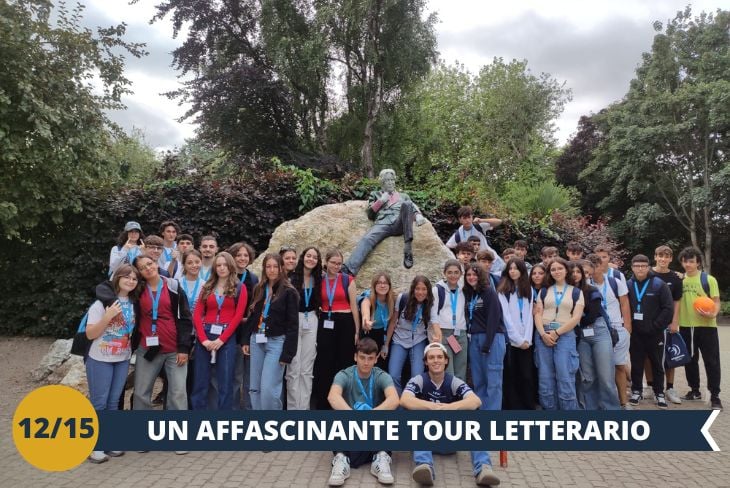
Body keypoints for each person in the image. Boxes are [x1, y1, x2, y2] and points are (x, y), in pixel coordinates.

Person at [401, 342, 500, 487]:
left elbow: (476, 401)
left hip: (450, 439)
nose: (436, 360)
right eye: (432, 357)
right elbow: (404, 400)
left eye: (440, 357)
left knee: (473, 418)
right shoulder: (419, 380)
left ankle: (483, 469)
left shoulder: (454, 382)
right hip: (425, 438)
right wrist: (432, 407)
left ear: (446, 360)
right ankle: (425, 467)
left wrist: (450, 407)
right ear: (426, 362)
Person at [130, 254, 192, 450]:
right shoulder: (137, 290)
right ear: (138, 273)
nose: (148, 268)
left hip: (174, 349)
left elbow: (185, 319)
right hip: (147, 349)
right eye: (142, 267)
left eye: (150, 263)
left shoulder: (173, 286)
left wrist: (184, 348)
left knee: (177, 393)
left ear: (156, 263)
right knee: (141, 392)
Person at [326, 338, 399, 486]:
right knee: (335, 415)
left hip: (374, 430)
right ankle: (341, 460)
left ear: (376, 359)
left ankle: (381, 458)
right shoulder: (344, 374)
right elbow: (332, 396)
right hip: (351, 430)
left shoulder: (381, 376)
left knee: (391, 416)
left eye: (370, 358)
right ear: (355, 357)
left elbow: (394, 399)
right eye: (362, 358)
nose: (366, 363)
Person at [85, 264, 140, 463]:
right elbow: (90, 333)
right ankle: (95, 447)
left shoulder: (134, 303)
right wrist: (107, 317)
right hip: (100, 358)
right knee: (99, 403)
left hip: (122, 358)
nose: (131, 281)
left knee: (113, 402)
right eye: (127, 277)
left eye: (134, 278)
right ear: (117, 278)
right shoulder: (101, 304)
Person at [242, 254, 299, 410]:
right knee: (254, 388)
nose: (272, 270)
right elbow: (253, 317)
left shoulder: (289, 292)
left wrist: (288, 354)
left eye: (275, 266)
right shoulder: (259, 288)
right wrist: (246, 340)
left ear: (281, 268)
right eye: (268, 267)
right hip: (256, 340)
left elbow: (293, 325)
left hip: (276, 343)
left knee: (268, 388)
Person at [191, 252, 247, 410]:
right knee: (200, 380)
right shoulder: (207, 287)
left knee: (225, 381)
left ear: (230, 266)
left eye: (225, 265)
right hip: (205, 335)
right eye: (218, 265)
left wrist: (221, 340)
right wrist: (203, 340)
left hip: (226, 337)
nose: (222, 268)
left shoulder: (239, 288)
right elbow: (197, 314)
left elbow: (238, 316)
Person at [343, 169, 426, 274]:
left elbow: (411, 206)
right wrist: (381, 200)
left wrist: (417, 215)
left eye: (392, 180)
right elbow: (370, 214)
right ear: (382, 182)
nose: (391, 182)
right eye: (387, 180)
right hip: (382, 223)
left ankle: (408, 249)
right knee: (367, 239)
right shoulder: (375, 194)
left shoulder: (403, 196)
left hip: (398, 223)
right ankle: (350, 268)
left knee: (407, 203)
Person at [534, 257, 584, 410]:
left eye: (560, 268)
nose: (556, 271)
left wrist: (557, 333)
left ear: (566, 270)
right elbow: (537, 314)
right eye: (553, 269)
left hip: (565, 335)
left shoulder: (576, 292)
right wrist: (543, 334)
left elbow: (576, 317)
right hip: (543, 335)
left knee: (565, 376)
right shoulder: (543, 291)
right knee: (545, 377)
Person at [314, 249, 360, 409]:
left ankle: (344, 402)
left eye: (339, 263)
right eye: (333, 262)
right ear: (326, 262)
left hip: (345, 323)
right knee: (324, 363)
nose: (336, 266)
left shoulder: (348, 279)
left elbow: (354, 307)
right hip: (326, 321)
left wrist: (357, 331)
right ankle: (324, 403)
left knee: (345, 363)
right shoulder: (319, 280)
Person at [677, 247, 722, 410]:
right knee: (689, 360)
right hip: (686, 326)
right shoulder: (680, 281)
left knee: (712, 362)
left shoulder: (708, 280)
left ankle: (715, 396)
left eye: (691, 261)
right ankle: (694, 390)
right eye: (685, 261)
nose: (687, 264)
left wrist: (713, 314)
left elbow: (716, 301)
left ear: (698, 263)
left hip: (707, 327)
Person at [626, 255, 673, 409]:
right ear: (632, 267)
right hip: (635, 333)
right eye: (637, 265)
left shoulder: (659, 284)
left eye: (643, 266)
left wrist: (656, 326)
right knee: (637, 363)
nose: (640, 268)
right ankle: (636, 391)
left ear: (648, 267)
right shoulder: (628, 285)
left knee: (657, 364)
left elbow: (668, 308)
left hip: (655, 333)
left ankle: (659, 393)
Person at [571, 260, 620, 410]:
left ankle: (611, 409)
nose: (576, 275)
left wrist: (575, 320)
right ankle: (590, 408)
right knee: (587, 377)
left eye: (579, 272)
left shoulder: (591, 291)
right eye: (572, 272)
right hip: (580, 336)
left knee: (606, 377)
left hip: (598, 332)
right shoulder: (566, 291)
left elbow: (591, 316)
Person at [587, 252, 633, 409]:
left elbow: (625, 304)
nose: (594, 269)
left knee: (619, 366)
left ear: (602, 265)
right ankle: (600, 401)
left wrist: (627, 328)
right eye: (590, 267)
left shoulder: (615, 282)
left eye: (596, 265)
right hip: (597, 329)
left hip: (616, 328)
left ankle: (623, 401)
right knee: (599, 368)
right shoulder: (586, 284)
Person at [383, 276, 441, 393]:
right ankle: (397, 403)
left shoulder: (430, 303)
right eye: (417, 289)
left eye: (424, 289)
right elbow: (393, 322)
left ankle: (412, 402)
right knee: (393, 375)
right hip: (399, 339)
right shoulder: (402, 299)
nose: (420, 292)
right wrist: (386, 345)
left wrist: (437, 337)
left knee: (417, 376)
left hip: (418, 341)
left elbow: (435, 323)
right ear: (413, 289)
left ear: (428, 291)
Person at [463, 263, 506, 410]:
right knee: (478, 378)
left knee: (493, 380)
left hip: (492, 338)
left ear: (481, 276)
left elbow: (494, 319)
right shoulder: (470, 294)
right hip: (474, 338)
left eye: (474, 274)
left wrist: (487, 343)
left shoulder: (489, 292)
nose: (471, 277)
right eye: (468, 275)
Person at [497, 258, 537, 410]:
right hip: (511, 341)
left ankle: (528, 406)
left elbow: (529, 317)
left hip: (526, 341)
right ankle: (513, 407)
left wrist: (527, 339)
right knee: (511, 375)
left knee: (527, 376)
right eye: (510, 268)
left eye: (516, 268)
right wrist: (519, 340)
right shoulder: (503, 290)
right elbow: (506, 318)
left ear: (522, 270)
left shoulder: (528, 289)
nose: (513, 271)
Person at [286, 246, 323, 410]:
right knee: (293, 367)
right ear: (303, 257)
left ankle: (304, 408)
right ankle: (293, 408)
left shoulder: (319, 279)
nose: (311, 259)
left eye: (315, 257)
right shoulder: (291, 278)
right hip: (294, 321)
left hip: (312, 320)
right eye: (308, 256)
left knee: (306, 369)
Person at [649, 245, 683, 404]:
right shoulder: (647, 274)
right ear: (655, 257)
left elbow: (677, 301)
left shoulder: (676, 278)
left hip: (668, 324)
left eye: (666, 256)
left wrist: (675, 321)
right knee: (648, 356)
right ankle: (650, 386)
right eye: (660, 256)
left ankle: (669, 388)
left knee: (670, 355)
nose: (663, 259)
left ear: (670, 258)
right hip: (649, 323)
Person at [228, 241, 259, 410]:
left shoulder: (254, 278)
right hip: (231, 331)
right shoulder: (227, 277)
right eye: (238, 255)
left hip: (249, 330)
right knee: (235, 375)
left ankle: (248, 408)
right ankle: (233, 408)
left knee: (250, 375)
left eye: (245, 255)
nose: (242, 258)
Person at [431, 259, 468, 380]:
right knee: (448, 370)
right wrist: (438, 333)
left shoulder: (464, 289)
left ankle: (460, 397)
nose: (453, 275)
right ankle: (448, 397)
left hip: (460, 333)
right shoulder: (437, 290)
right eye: (450, 272)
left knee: (461, 369)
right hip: (444, 332)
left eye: (456, 272)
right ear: (444, 273)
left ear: (461, 274)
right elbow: (433, 314)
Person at [446, 205, 504, 274]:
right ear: (460, 220)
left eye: (469, 217)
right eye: (464, 218)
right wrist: (459, 257)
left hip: (494, 260)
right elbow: (447, 247)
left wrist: (482, 220)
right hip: (480, 265)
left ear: (472, 217)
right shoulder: (458, 234)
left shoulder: (478, 226)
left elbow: (499, 221)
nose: (467, 220)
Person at [359, 271, 395, 370]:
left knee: (381, 366)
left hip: (383, 335)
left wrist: (386, 345)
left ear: (389, 285)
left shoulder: (392, 301)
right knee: (367, 365)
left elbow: (392, 324)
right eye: (379, 283)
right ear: (374, 285)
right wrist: (366, 321)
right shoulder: (368, 299)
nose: (382, 285)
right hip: (368, 334)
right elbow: (365, 311)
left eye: (385, 283)